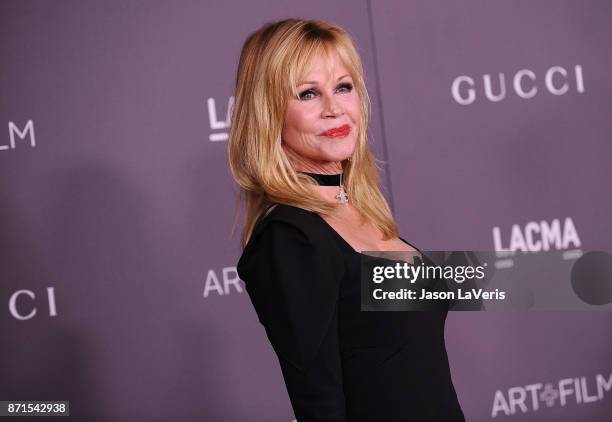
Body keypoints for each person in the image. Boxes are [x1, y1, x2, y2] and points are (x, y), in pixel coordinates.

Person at [228, 18, 465, 421]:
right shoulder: (290, 238)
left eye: (343, 86)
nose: (334, 108)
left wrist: (568, 279)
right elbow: (319, 402)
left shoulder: (358, 209)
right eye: (308, 93)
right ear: (269, 114)